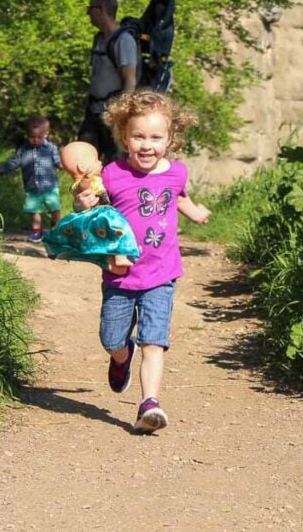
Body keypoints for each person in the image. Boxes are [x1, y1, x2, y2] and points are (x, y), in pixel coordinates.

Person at [73, 90, 211, 433]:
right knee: (111, 338)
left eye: (155, 137)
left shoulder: (176, 173)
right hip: (120, 274)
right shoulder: (112, 174)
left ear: (170, 139)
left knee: (155, 341)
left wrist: (194, 211)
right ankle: (121, 357)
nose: (147, 145)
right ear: (124, 136)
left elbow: (178, 196)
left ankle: (150, 402)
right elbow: (86, 208)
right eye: (138, 136)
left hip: (161, 273)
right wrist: (82, 200)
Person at [78, 0, 140, 165]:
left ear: (101, 10)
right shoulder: (99, 39)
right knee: (82, 156)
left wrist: (121, 114)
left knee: (114, 162)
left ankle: (112, 193)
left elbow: (130, 79)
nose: (87, 13)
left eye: (90, 8)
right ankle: (88, 192)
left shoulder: (124, 40)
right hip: (93, 110)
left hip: (112, 112)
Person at [0, 114, 62, 242]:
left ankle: (56, 229)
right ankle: (36, 232)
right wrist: (1, 169)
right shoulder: (23, 150)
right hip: (32, 187)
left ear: (46, 134)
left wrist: (67, 166)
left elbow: (58, 162)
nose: (35, 140)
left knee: (55, 209)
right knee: (34, 210)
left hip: (50, 187)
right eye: (31, 137)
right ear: (27, 135)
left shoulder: (51, 148)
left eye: (38, 137)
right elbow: (14, 162)